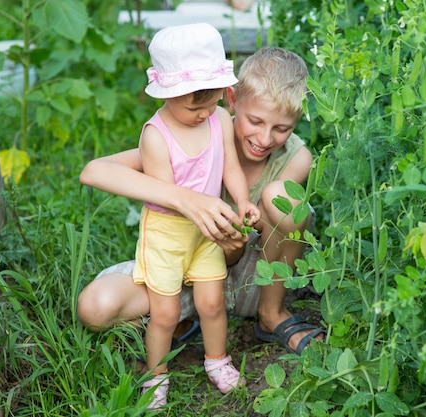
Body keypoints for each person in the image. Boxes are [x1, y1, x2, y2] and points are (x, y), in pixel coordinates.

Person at [77, 45, 326, 398]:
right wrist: (184, 198)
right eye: (255, 121)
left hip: (256, 278)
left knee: (277, 196)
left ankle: (272, 315)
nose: (265, 139)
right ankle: (186, 321)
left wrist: (236, 246)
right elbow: (95, 171)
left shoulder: (296, 157)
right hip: (189, 273)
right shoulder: (196, 137)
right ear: (232, 99)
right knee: (95, 307)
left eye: (281, 128)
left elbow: (253, 242)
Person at [120, 23, 261, 408]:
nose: (202, 114)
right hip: (168, 233)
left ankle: (217, 360)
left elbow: (230, 168)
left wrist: (242, 199)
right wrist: (201, 208)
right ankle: (155, 376)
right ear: (168, 94)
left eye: (210, 102)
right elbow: (168, 197)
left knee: (211, 303)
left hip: (208, 231)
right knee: (164, 313)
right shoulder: (155, 135)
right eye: (192, 106)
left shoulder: (220, 120)